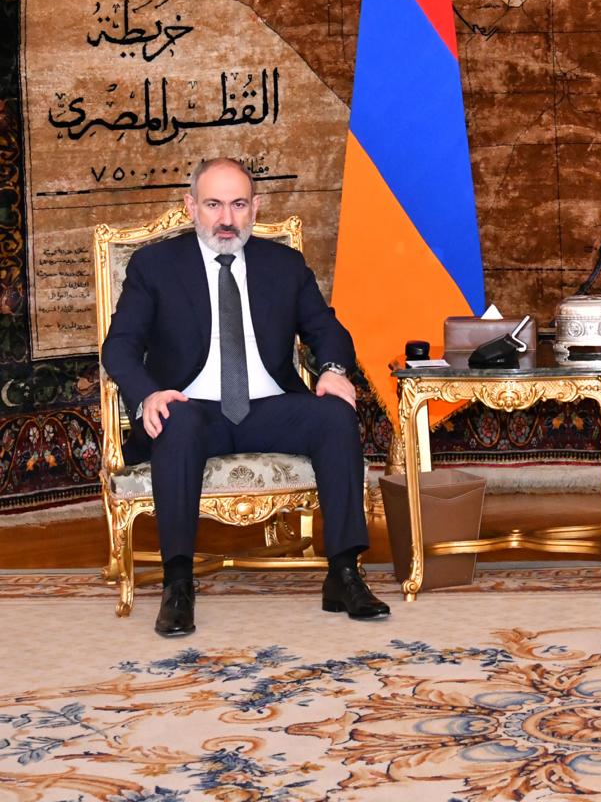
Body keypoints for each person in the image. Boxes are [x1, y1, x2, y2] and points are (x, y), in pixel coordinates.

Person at [102, 157, 390, 636]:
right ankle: (178, 585)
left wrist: (334, 370)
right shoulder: (155, 266)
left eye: (238, 205)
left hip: (268, 406)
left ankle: (344, 574)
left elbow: (327, 329)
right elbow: (120, 346)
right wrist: (148, 394)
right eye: (213, 204)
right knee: (176, 419)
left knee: (334, 415)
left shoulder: (283, 265)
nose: (226, 219)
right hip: (193, 410)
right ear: (191, 206)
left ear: (255, 207)